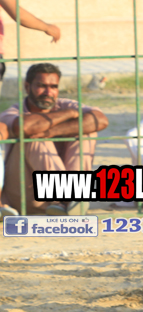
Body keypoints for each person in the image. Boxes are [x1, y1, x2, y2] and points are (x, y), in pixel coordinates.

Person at [1, 62, 108, 215]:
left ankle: (73, 197)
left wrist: (53, 131)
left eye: (53, 87)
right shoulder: (13, 111)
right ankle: (66, 196)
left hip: (57, 197)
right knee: (34, 136)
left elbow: (100, 120)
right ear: (27, 87)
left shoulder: (64, 104)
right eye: (41, 86)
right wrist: (69, 114)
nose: (48, 92)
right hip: (25, 193)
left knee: (86, 131)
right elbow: (25, 127)